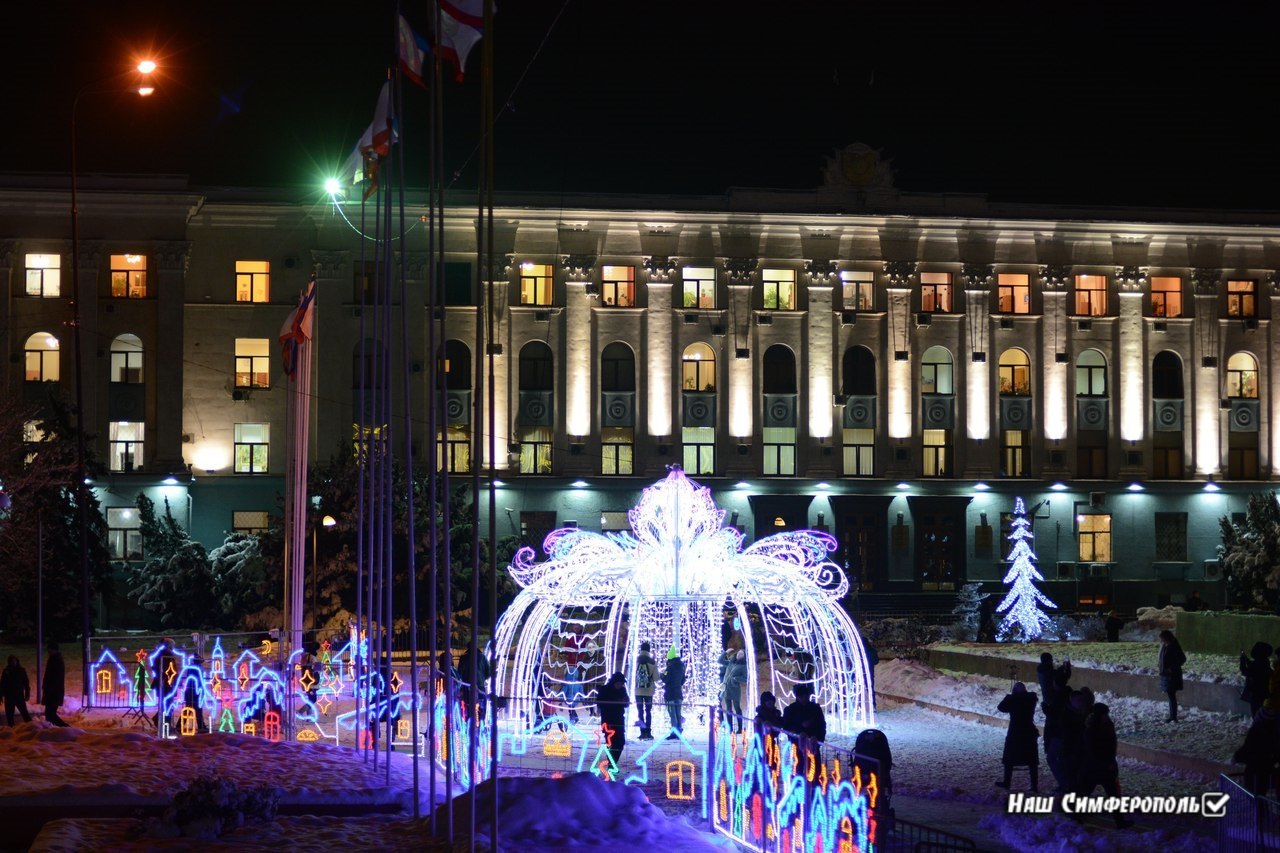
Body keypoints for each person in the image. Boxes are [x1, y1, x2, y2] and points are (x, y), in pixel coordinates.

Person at [1081, 703, 1132, 828]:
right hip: (1098, 767)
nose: (1107, 716)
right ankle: (1075, 813)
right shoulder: (1093, 730)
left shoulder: (1105, 726)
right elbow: (1092, 750)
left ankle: (1119, 821)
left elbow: (1110, 747)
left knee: (1111, 793)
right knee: (1088, 792)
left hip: (1103, 766)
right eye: (1105, 713)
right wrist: (1105, 763)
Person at [995, 682, 1039, 793]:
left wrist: (1009, 696)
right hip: (1029, 730)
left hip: (1015, 731)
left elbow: (1001, 707)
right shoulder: (1030, 699)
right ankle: (1034, 785)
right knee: (1032, 760)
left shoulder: (1014, 700)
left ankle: (1007, 781)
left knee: (1009, 757)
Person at [1041, 664, 1072, 791]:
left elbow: (1056, 715)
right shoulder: (1067, 693)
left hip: (1057, 733)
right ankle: (1066, 782)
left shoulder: (1059, 697)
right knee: (1060, 758)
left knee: (1053, 758)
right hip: (1062, 733)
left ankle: (1065, 783)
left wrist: (1046, 709)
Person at [596, 671, 629, 766]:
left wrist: (621, 702)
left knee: (620, 743)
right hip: (608, 720)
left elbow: (626, 703)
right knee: (610, 743)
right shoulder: (605, 690)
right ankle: (612, 764)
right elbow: (601, 703)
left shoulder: (622, 690)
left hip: (619, 720)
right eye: (618, 683)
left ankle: (612, 763)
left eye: (621, 684)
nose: (620, 686)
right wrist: (617, 702)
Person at [1158, 629, 1187, 722]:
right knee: (1171, 695)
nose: (1161, 640)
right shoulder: (1165, 645)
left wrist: (1172, 668)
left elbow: (1182, 658)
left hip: (1172, 675)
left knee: (1171, 695)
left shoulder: (1173, 646)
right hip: (1166, 674)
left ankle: (1173, 716)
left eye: (1162, 638)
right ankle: (1172, 715)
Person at [1240, 641, 1274, 719]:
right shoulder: (1265, 662)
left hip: (1256, 693)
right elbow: (1253, 666)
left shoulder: (1257, 664)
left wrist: (1242, 660)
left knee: (1256, 713)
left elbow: (1245, 671)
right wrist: (1246, 659)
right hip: (1263, 692)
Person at [153, 639, 179, 734]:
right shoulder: (167, 655)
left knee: (165, 705)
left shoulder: (161, 654)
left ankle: (163, 723)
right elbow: (170, 670)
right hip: (167, 684)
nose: (174, 647)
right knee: (168, 705)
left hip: (163, 683)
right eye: (173, 645)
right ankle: (165, 725)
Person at [634, 642, 658, 740]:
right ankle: (648, 732)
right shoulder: (652, 662)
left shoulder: (636, 660)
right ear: (649, 650)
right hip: (649, 691)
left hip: (638, 691)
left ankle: (642, 732)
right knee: (648, 711)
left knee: (640, 711)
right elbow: (656, 678)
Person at [720, 648, 748, 732]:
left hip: (735, 689)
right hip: (726, 688)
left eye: (742, 654)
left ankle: (740, 728)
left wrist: (736, 679)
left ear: (744, 656)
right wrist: (726, 652)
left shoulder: (743, 666)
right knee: (728, 708)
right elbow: (720, 660)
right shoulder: (730, 663)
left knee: (737, 708)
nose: (740, 655)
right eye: (739, 653)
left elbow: (746, 679)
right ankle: (730, 728)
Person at [661, 646, 686, 739]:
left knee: (672, 714)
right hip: (679, 693)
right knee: (678, 713)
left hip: (670, 694)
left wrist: (662, 675)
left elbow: (666, 679)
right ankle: (679, 730)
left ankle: (674, 732)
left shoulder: (670, 667)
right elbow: (683, 680)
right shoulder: (681, 667)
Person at [1, 655, 32, 726]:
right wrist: (1, 695)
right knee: (9, 715)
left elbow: (26, 683)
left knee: (24, 713)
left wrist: (27, 694)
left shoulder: (21, 670)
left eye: (14, 661)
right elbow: (2, 684)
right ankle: (12, 730)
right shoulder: (6, 671)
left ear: (16, 661)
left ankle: (31, 726)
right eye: (11, 661)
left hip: (18, 696)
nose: (12, 662)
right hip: (9, 696)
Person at [43, 642, 68, 727]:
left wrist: (49, 688)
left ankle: (65, 728)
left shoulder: (56, 660)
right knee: (49, 714)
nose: (48, 651)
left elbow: (55, 678)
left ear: (54, 650)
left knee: (50, 714)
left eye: (50, 649)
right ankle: (55, 730)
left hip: (53, 692)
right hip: (52, 691)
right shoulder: (53, 659)